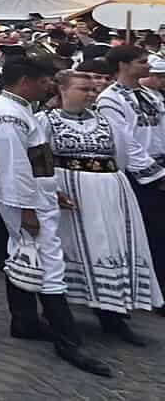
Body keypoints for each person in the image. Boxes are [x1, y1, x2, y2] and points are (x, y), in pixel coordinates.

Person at [0, 57, 111, 376]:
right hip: (25, 199)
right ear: (26, 81)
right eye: (43, 81)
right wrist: (28, 208)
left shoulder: (19, 107)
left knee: (22, 253)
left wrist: (50, 191)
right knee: (49, 262)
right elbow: (15, 168)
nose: (49, 87)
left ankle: (23, 320)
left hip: (35, 194)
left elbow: (35, 161)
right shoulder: (8, 115)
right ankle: (68, 341)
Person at [42, 69, 161, 342]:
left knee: (113, 246)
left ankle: (113, 315)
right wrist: (54, 189)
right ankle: (63, 315)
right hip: (72, 195)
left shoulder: (107, 121)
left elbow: (120, 155)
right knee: (73, 249)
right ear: (63, 91)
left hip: (109, 191)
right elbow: (41, 158)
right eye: (83, 89)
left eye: (92, 89)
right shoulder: (46, 121)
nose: (91, 93)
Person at [95, 45, 165, 297]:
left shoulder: (151, 94)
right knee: (149, 232)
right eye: (142, 61)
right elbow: (124, 142)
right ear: (124, 66)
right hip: (139, 174)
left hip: (159, 165)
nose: (147, 66)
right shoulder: (110, 99)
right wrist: (155, 173)